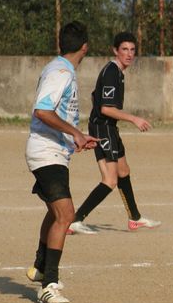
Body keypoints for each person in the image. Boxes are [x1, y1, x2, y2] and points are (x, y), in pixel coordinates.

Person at [24, 21, 98, 303]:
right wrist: (75, 133)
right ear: (85, 47)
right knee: (66, 215)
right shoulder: (61, 72)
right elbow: (43, 111)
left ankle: (41, 267)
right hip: (46, 152)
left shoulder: (59, 68)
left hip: (54, 151)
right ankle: (49, 285)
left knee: (55, 212)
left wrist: (75, 137)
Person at [68, 31, 161, 234]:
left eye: (132, 50)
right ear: (115, 51)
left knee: (123, 171)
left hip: (109, 127)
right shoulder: (111, 72)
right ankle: (75, 220)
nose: (129, 54)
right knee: (110, 180)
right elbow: (106, 108)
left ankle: (135, 218)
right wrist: (134, 119)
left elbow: (95, 96)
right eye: (124, 49)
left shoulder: (116, 72)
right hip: (103, 128)